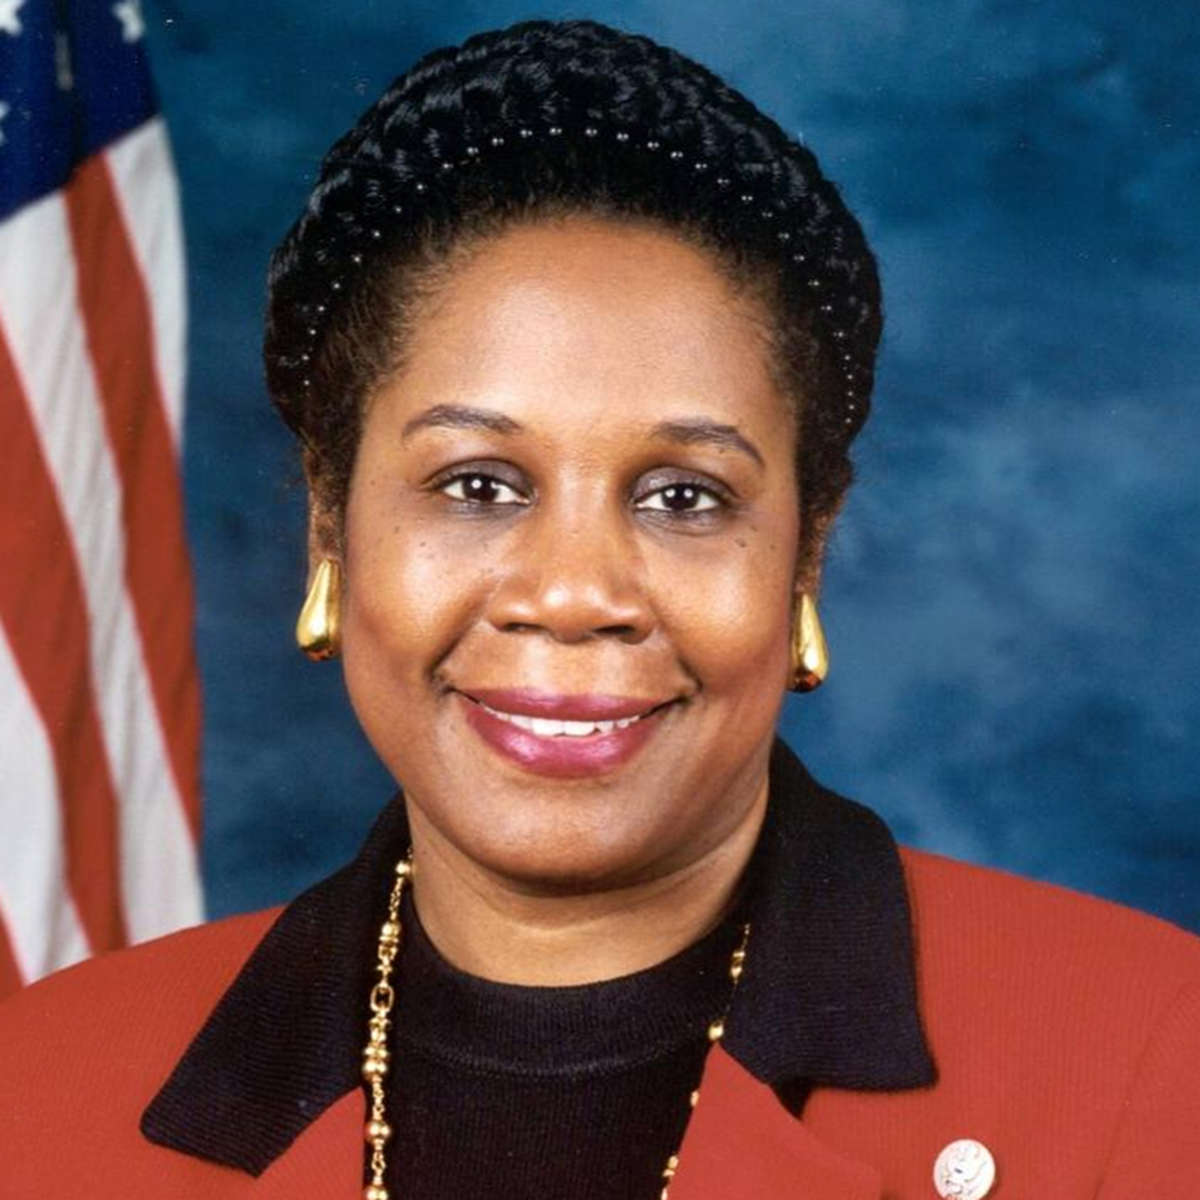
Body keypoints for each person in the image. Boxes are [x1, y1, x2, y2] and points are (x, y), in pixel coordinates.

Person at [2, 19, 1198, 1200]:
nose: (575, 595)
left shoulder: (1155, 1062)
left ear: (805, 556)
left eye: (684, 496)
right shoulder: (38, 1094)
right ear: (331, 529)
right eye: (478, 486)